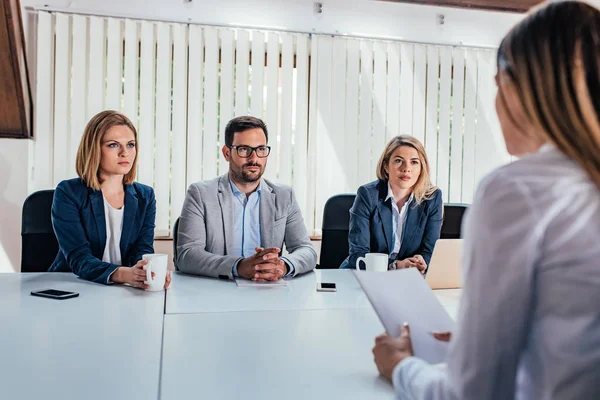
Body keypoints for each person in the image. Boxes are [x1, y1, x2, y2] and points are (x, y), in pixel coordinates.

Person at [372, 2, 600, 399]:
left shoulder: (518, 190)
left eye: (496, 83)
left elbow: (473, 393)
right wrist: (479, 338)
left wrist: (402, 367)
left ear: (519, 87)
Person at [175, 116, 317, 281]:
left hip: (268, 291)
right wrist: (239, 266)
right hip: (217, 291)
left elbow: (306, 250)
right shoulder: (200, 194)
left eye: (261, 149)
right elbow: (187, 255)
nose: (254, 158)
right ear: (227, 153)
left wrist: (282, 266)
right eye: (244, 149)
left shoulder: (284, 196)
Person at [49, 110, 171, 289]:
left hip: (122, 289)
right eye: (113, 145)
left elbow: (142, 249)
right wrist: (123, 274)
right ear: (94, 149)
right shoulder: (68, 192)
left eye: (130, 144)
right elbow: (79, 258)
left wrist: (146, 271)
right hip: (73, 287)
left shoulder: (145, 196)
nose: (125, 153)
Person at [340, 136, 443, 273]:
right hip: (364, 275)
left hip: (409, 278)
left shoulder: (432, 198)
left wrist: (422, 260)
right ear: (386, 166)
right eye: (398, 161)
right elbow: (358, 254)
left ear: (421, 168)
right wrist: (395, 265)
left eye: (414, 162)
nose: (406, 168)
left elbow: (431, 251)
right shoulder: (367, 195)